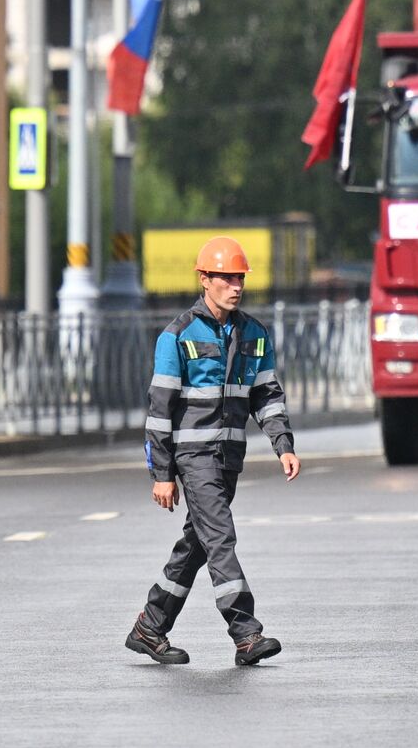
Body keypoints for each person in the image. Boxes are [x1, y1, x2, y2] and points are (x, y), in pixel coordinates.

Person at [127, 236, 301, 667]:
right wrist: (162, 473)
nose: (235, 285)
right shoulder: (177, 336)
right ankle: (246, 633)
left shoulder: (255, 334)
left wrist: (283, 445)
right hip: (193, 457)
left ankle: (150, 626)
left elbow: (267, 396)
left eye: (239, 277)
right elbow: (159, 410)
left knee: (199, 544)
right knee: (221, 538)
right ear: (204, 279)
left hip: (229, 458)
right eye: (225, 277)